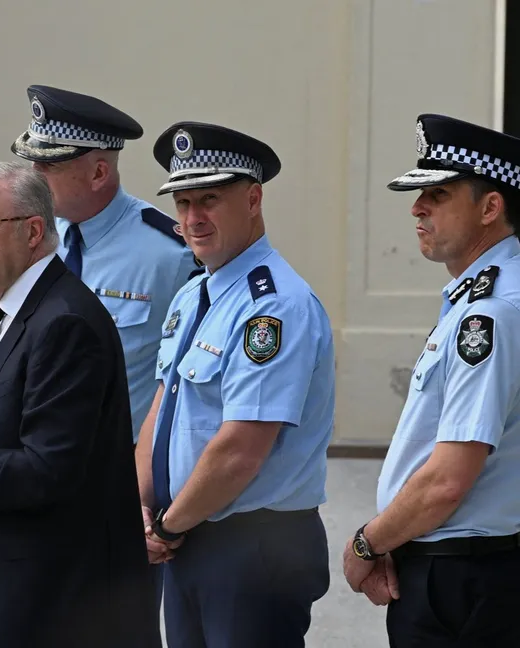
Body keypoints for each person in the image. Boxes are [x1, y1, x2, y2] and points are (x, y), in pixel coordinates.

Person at [0, 162, 161, 648]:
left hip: (56, 610)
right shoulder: (14, 312)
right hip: (16, 598)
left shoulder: (64, 322)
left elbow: (49, 468)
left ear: (34, 231)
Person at [136, 121, 335, 647]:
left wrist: (167, 527)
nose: (192, 218)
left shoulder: (274, 306)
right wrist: (139, 508)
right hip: (188, 536)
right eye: (183, 202)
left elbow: (240, 450)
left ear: (252, 200)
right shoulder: (195, 295)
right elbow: (161, 410)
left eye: (209, 200)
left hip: (253, 548)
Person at [342, 114, 520, 646]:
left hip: (461, 580)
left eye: (438, 194)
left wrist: (367, 543)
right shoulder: (487, 297)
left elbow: (446, 481)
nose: (417, 208)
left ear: (490, 208)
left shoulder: (488, 314)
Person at [0, 84, 199, 443]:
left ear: (98, 174)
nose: (33, 177)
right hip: (23, 455)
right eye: (32, 163)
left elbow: (189, 376)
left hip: (113, 459)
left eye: (49, 166)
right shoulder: (25, 235)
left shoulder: (170, 256)